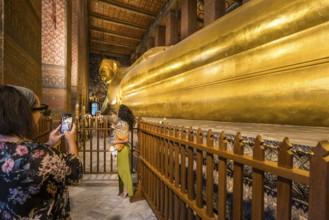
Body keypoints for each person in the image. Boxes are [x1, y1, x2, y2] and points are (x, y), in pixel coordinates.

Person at [0, 85, 82, 219]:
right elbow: (75, 174)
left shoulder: (39, 155)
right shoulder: (44, 156)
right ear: (25, 113)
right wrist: (70, 140)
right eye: (40, 109)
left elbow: (18, 156)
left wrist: (48, 144)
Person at [110, 104, 135, 198]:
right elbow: (120, 132)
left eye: (118, 111)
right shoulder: (123, 123)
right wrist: (115, 128)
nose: (117, 112)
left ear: (121, 113)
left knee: (124, 171)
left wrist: (114, 141)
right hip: (122, 149)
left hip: (123, 148)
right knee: (122, 170)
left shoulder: (123, 124)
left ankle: (128, 191)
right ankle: (124, 190)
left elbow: (126, 140)